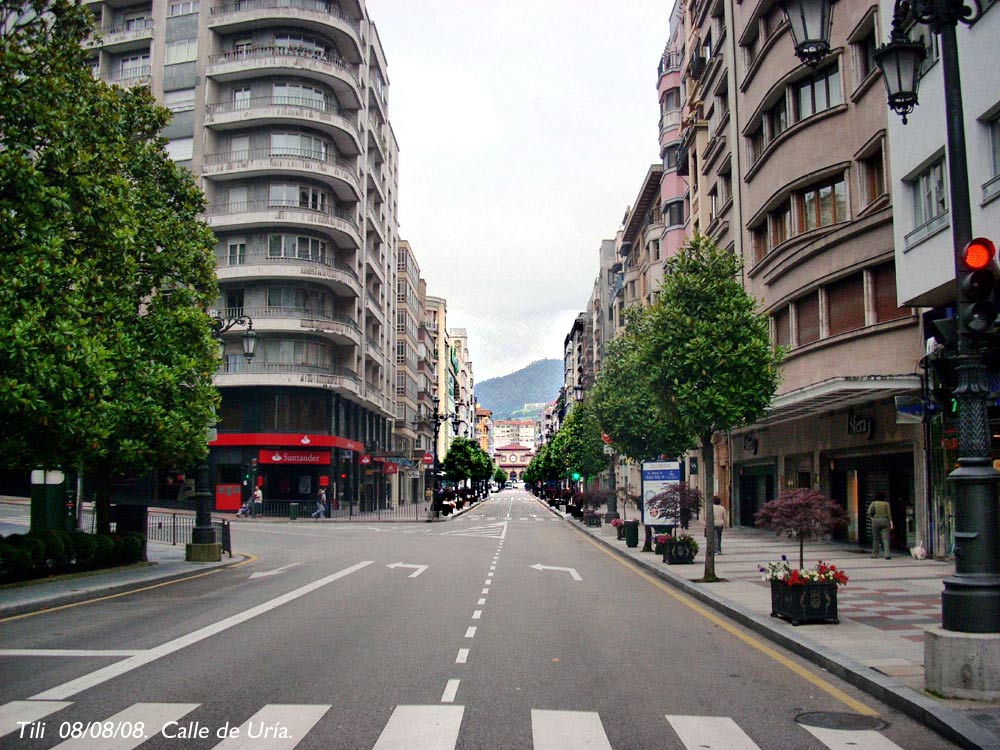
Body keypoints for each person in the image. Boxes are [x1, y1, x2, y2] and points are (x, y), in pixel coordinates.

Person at [868, 491, 893, 559]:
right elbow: (889, 514)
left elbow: (869, 512)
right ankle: (887, 555)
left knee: (875, 538)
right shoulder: (886, 504)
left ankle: (875, 554)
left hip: (876, 521)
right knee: (886, 539)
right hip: (885, 520)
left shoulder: (874, 503)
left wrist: (871, 518)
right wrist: (891, 523)